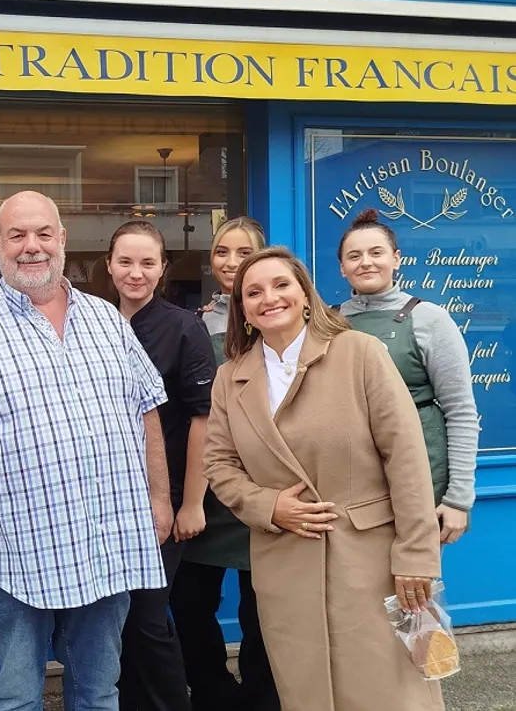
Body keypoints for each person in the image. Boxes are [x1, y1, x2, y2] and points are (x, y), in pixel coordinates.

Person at [0, 190, 173, 711]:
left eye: (43, 234)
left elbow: (146, 411)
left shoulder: (107, 320)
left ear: (62, 240)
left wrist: (160, 499)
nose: (32, 247)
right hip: (13, 551)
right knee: (15, 699)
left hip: (107, 540)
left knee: (99, 694)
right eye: (18, 235)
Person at [203, 246, 443, 711]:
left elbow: (407, 457)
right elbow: (219, 466)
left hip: (371, 562)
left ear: (306, 295)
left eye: (281, 285)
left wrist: (417, 554)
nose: (269, 297)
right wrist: (268, 506)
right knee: (306, 691)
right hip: (284, 563)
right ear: (243, 310)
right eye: (253, 292)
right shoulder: (230, 379)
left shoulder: (359, 353)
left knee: (389, 691)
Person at [169, 216, 279, 711]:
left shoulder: (279, 315)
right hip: (205, 486)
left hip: (264, 483)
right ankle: (214, 693)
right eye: (221, 252)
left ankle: (261, 697)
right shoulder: (194, 322)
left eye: (243, 252)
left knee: (264, 612)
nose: (230, 263)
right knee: (190, 605)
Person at [106, 221, 216, 711]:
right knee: (117, 618)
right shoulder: (96, 323)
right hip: (107, 498)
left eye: (147, 263)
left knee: (149, 617)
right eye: (125, 262)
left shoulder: (183, 327)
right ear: (108, 265)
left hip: (162, 500)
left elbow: (203, 421)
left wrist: (191, 502)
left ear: (163, 268)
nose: (136, 273)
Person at [337, 209, 478, 544]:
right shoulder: (329, 322)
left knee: (413, 588)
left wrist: (458, 499)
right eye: (354, 256)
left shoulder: (430, 320)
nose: (366, 263)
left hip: (421, 479)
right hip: (350, 487)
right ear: (342, 268)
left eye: (376, 253)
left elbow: (461, 413)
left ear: (396, 259)